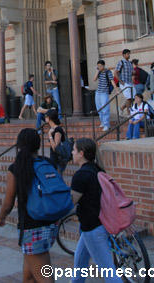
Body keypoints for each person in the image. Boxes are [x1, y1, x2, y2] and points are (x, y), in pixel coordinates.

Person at [0, 128, 57, 283]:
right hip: (50, 223)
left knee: (44, 277)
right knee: (29, 276)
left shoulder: (16, 168)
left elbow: (8, 202)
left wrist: (1, 216)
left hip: (32, 226)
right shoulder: (47, 162)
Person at [71, 138, 122, 283]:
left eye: (74, 150)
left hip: (93, 227)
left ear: (81, 153)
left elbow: (71, 202)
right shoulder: (97, 169)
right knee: (80, 262)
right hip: (97, 224)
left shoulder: (81, 176)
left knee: (109, 272)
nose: (72, 152)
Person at [93, 60, 116, 132]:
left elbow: (112, 81)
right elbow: (94, 79)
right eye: (98, 66)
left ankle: (106, 124)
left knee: (105, 109)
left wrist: (117, 90)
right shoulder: (99, 72)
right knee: (99, 108)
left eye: (100, 66)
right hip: (98, 92)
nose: (99, 67)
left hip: (104, 93)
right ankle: (102, 121)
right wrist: (97, 71)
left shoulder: (108, 72)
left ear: (103, 65)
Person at [45, 109, 66, 174]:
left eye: (45, 116)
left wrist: (50, 136)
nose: (45, 118)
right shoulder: (53, 129)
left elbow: (55, 148)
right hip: (54, 159)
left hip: (57, 160)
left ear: (49, 118)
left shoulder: (57, 130)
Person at [114, 49, 134, 116]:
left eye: (129, 53)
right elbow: (115, 73)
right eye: (127, 54)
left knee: (132, 98)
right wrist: (121, 82)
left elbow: (131, 73)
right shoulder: (121, 62)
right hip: (124, 82)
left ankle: (121, 108)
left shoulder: (130, 63)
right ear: (124, 54)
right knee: (128, 97)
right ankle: (129, 113)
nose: (129, 55)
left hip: (130, 82)